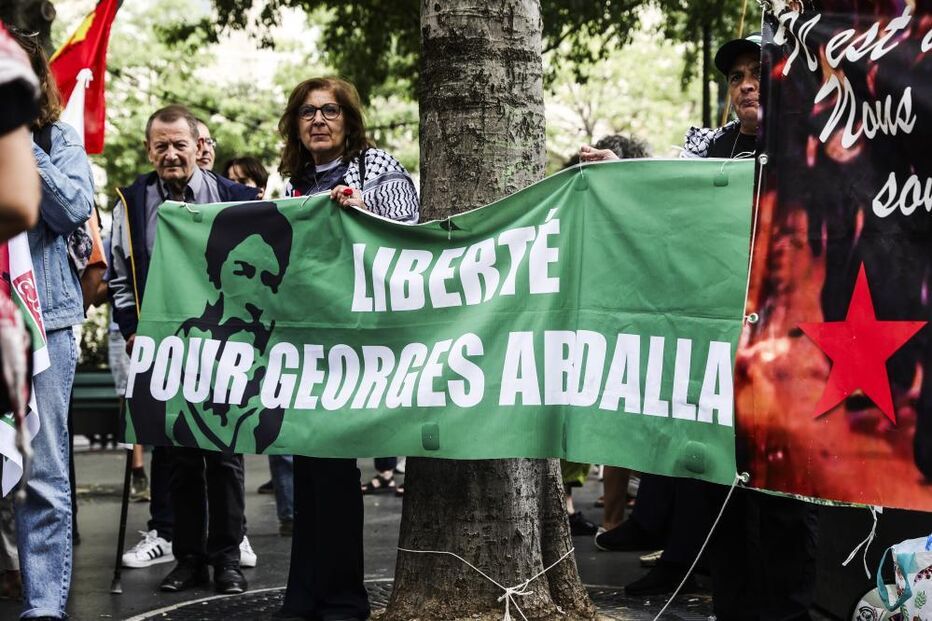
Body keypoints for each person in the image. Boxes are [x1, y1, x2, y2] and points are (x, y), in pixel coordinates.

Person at [274, 76, 418, 621]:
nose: (317, 120)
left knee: (333, 469)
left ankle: (342, 599)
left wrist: (359, 210)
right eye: (307, 112)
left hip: (358, 339)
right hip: (307, 338)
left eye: (329, 111)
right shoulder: (292, 179)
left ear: (348, 119)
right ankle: (303, 595)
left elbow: (409, 231)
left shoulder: (377, 167)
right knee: (308, 466)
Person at [110, 104, 259, 594]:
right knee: (177, 455)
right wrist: (131, 327)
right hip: (164, 348)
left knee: (224, 455)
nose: (171, 154)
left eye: (180, 144)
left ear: (200, 146)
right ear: (149, 150)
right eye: (161, 146)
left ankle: (227, 558)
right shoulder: (131, 203)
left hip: (224, 344)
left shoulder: (236, 197)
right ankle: (189, 558)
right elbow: (118, 275)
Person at [7, 26, 94, 620]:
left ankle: (43, 609)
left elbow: (69, 209)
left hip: (45, 322)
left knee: (42, 472)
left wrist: (18, 137)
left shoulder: (57, 139)